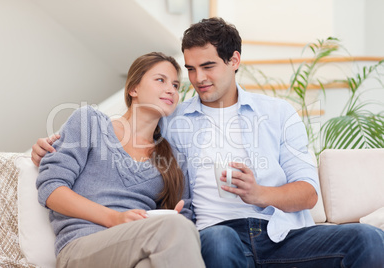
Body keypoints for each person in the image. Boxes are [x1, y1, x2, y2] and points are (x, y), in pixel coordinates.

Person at [33, 18, 384, 267]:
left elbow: (308, 193)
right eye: (189, 69)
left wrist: (258, 193)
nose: (196, 79)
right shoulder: (172, 122)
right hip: (216, 235)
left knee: (367, 238)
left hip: (281, 236)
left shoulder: (278, 113)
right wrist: (48, 145)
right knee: (214, 241)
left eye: (208, 66)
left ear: (234, 61)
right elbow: (125, 130)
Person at [35, 52, 205, 268]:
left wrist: (176, 215)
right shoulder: (90, 122)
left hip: (138, 251)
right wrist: (114, 218)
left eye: (175, 85)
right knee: (174, 228)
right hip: (81, 249)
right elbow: (50, 189)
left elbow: (184, 220)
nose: (171, 90)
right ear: (133, 89)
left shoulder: (173, 158)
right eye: (160, 80)